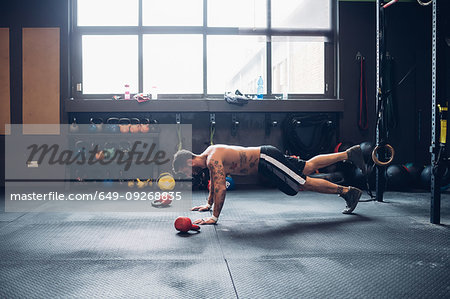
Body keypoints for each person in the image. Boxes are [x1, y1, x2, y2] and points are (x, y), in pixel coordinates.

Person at [172, 144, 366, 225]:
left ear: (188, 162)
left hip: (265, 160)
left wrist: (214, 217)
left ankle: (348, 192)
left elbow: (221, 187)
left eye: (185, 171)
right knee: (307, 166)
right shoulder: (210, 153)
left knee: (300, 183)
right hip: (267, 156)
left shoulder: (212, 160)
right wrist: (208, 204)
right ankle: (349, 154)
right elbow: (215, 183)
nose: (189, 175)